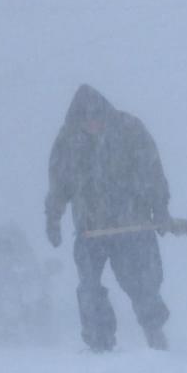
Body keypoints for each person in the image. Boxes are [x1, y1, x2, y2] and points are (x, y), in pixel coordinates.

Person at [45, 84, 172, 352]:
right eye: (87, 120)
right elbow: (59, 183)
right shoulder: (68, 141)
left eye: (97, 118)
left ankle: (155, 335)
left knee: (142, 283)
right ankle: (99, 345)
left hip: (132, 225)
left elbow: (152, 171)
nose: (93, 125)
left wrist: (159, 208)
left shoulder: (130, 130)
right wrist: (53, 218)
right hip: (90, 230)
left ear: (105, 114)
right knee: (89, 288)